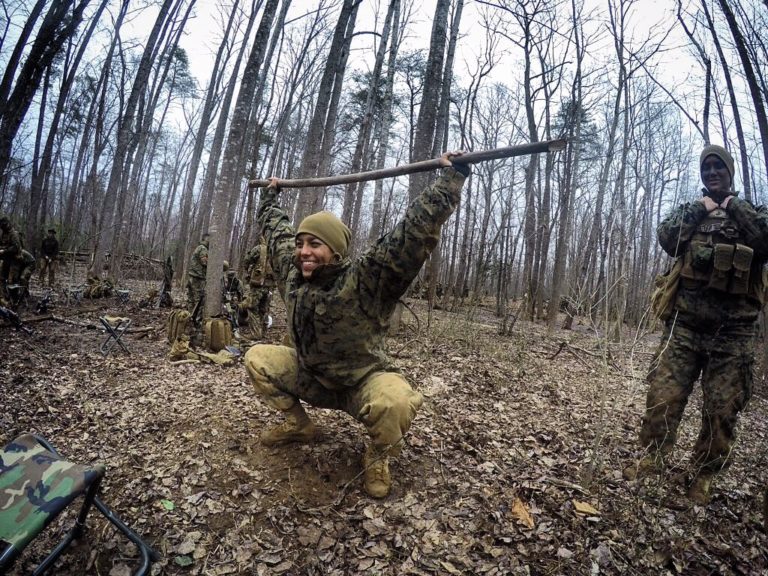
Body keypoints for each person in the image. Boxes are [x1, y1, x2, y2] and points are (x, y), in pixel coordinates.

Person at [244, 151, 470, 498]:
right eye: (301, 244)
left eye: (315, 245)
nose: (304, 251)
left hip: (361, 383)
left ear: (334, 252)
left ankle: (379, 456)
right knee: (258, 357)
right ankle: (298, 425)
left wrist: (450, 180)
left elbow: (412, 234)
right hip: (313, 378)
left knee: (395, 400)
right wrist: (269, 196)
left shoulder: (366, 279)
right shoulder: (293, 275)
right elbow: (276, 233)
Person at [625, 145, 768, 504]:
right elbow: (666, 237)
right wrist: (701, 208)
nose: (713, 173)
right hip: (684, 327)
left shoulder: (753, 213)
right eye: (707, 168)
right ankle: (653, 458)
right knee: (662, 397)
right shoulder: (691, 213)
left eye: (719, 167)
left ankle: (704, 475)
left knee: (722, 412)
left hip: (733, 335)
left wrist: (733, 206)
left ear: (730, 172)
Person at [239, 236, 275, 339]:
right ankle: (263, 333)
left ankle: (255, 334)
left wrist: (248, 271)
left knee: (252, 307)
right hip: (270, 285)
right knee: (264, 309)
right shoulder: (275, 250)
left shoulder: (260, 248)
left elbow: (247, 259)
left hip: (258, 284)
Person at [0, 215, 23, 301]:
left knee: (12, 281)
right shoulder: (3, 234)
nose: (3, 227)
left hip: (14, 260)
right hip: (6, 259)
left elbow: (15, 248)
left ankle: (14, 300)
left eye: (4, 225)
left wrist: (4, 250)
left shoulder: (14, 234)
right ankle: (4, 298)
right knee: (1, 278)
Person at [186, 233, 209, 316]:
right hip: (198, 278)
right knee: (198, 300)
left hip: (192, 276)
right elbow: (204, 262)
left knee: (191, 299)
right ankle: (196, 320)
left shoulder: (198, 247)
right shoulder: (203, 248)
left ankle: (189, 317)